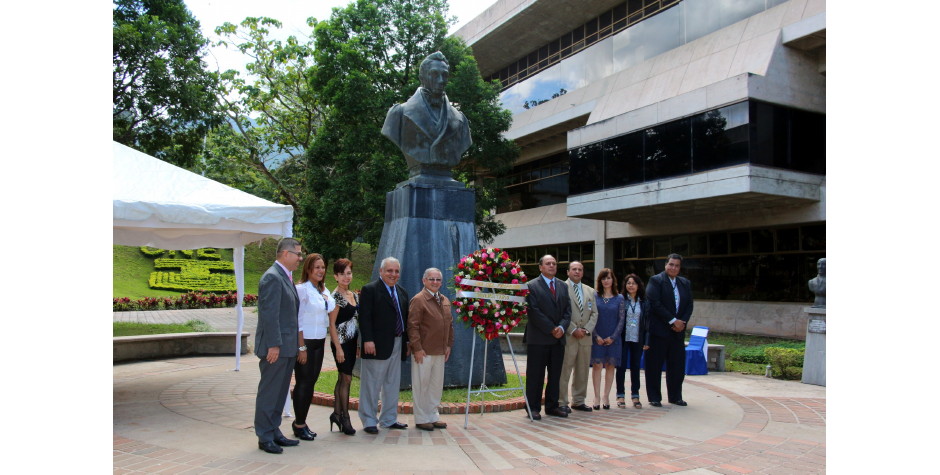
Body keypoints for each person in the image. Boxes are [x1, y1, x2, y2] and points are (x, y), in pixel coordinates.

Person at [381, 51, 472, 178]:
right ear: (422, 77)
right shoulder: (399, 114)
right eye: (434, 74)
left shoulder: (461, 120)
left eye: (445, 75)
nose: (441, 80)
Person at [253, 238, 304, 454]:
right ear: (285, 253)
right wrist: (273, 345)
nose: (300, 259)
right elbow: (269, 315)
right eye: (298, 254)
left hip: (287, 347)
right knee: (270, 392)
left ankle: (274, 431)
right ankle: (264, 436)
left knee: (280, 391)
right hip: (276, 348)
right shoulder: (272, 278)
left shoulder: (284, 276)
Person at [358, 257, 410, 434]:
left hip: (397, 343)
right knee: (371, 384)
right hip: (376, 345)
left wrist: (407, 341)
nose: (393, 274)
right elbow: (364, 317)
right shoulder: (370, 290)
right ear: (381, 271)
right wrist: (368, 340)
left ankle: (388, 419)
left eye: (396, 271)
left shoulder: (402, 292)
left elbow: (406, 319)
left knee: (392, 384)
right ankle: (369, 420)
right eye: (389, 271)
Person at [290, 253, 336, 441]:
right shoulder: (302, 289)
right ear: (308, 269)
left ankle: (303, 421)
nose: (320, 270)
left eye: (323, 267)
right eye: (316, 267)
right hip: (306, 342)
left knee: (311, 383)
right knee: (304, 382)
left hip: (319, 341)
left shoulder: (323, 290)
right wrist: (301, 347)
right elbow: (297, 320)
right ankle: (298, 424)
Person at [523, 254, 571, 420]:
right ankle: (532, 407)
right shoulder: (531, 286)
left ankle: (552, 406)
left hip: (558, 339)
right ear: (540, 267)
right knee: (535, 375)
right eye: (548, 263)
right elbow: (533, 312)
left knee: (555, 374)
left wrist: (561, 327)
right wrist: (551, 328)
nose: (552, 266)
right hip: (538, 338)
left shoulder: (563, 286)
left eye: (554, 263)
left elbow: (567, 311)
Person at [407, 268, 455, 431]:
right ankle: (421, 419)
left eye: (438, 280)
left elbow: (450, 325)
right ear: (424, 280)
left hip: (440, 351)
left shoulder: (445, 300)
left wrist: (448, 345)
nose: (435, 282)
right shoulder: (419, 300)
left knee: (435, 386)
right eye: (431, 279)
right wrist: (417, 349)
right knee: (422, 385)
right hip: (424, 352)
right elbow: (412, 327)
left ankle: (432, 416)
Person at [645, 253, 693, 407]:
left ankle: (675, 396)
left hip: (677, 333)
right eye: (671, 264)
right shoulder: (656, 280)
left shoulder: (684, 283)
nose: (673, 268)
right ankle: (654, 397)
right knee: (654, 366)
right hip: (659, 331)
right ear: (665, 265)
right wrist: (672, 320)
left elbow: (689, 305)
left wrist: (682, 322)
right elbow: (654, 303)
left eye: (677, 265)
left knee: (677, 366)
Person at [559, 261, 597, 413]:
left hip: (585, 338)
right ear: (568, 272)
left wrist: (587, 329)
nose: (577, 272)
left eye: (580, 269)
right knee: (564, 370)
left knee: (582, 371)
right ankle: (561, 401)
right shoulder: (561, 288)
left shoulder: (590, 290)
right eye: (574, 269)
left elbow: (594, 313)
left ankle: (579, 400)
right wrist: (573, 329)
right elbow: (560, 312)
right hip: (569, 336)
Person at [328, 258, 359, 435]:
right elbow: (331, 324)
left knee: (342, 378)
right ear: (336, 276)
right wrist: (338, 348)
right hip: (340, 343)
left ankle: (336, 413)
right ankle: (345, 417)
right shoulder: (336, 297)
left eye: (348, 273)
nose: (346, 277)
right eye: (342, 274)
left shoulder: (353, 295)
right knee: (346, 379)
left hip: (352, 342)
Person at [590, 268, 625, 410]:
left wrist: (613, 337)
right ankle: (597, 396)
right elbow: (591, 316)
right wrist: (596, 336)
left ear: (613, 280)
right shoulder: (594, 296)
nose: (606, 281)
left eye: (609, 278)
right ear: (600, 281)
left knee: (610, 366)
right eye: (603, 278)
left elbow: (621, 319)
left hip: (613, 339)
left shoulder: (620, 298)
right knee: (597, 366)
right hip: (597, 337)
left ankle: (606, 396)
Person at [615, 274, 650, 409]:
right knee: (621, 367)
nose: (631, 285)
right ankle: (620, 395)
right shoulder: (621, 300)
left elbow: (647, 323)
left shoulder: (644, 302)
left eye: (633, 283)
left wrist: (647, 341)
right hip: (623, 338)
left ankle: (635, 395)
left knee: (636, 367)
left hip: (637, 338)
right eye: (628, 283)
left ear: (638, 285)